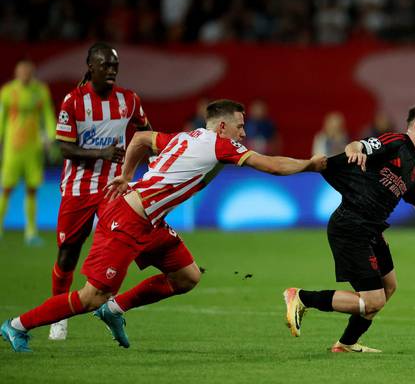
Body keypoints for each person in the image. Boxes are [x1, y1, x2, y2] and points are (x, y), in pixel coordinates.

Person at [1, 99, 326, 352]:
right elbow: (270, 165)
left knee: (187, 276)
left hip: (151, 221)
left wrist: (128, 175)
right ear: (223, 126)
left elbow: (142, 138)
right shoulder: (218, 143)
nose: (243, 133)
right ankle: (17, 325)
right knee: (90, 297)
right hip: (126, 220)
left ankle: (115, 309)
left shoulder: (186, 137)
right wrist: (312, 164)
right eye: (240, 127)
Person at [283, 103, 415, 353]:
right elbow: (359, 145)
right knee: (372, 301)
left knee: (389, 287)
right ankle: (301, 297)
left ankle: (346, 344)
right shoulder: (396, 143)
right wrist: (355, 149)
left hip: (371, 230)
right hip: (350, 226)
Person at [48, 42, 152, 341]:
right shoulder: (74, 101)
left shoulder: (129, 100)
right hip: (78, 189)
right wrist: (102, 154)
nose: (111, 71)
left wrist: (145, 163)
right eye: (105, 65)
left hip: (114, 189)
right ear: (90, 66)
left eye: (115, 66)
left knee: (118, 248)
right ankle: (58, 314)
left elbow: (146, 132)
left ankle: (109, 306)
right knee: (68, 252)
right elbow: (63, 147)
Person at [0, 59, 56, 245]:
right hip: (12, 149)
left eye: (27, 71)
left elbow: (48, 114)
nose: (24, 74)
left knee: (32, 190)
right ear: (16, 73)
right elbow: (1, 118)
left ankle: (30, 232)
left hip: (34, 149)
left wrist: (50, 135)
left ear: (32, 73)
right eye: (21, 71)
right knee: (6, 189)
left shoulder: (40, 91)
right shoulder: (7, 92)